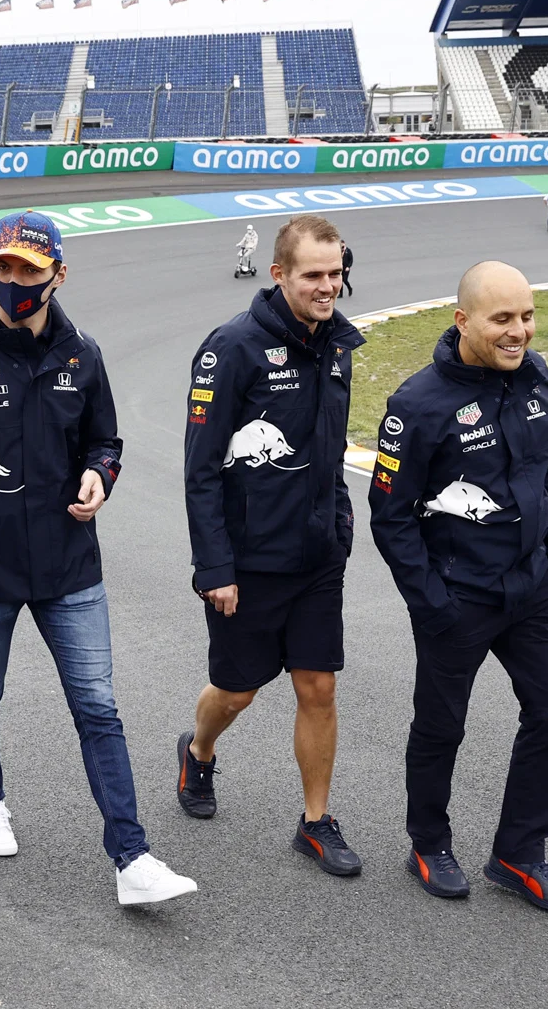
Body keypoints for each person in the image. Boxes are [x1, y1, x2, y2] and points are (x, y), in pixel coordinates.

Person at [0, 210, 198, 907]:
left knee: (99, 707)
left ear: (58, 275)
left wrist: (101, 474)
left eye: (28, 271)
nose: (13, 281)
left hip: (71, 568)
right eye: (2, 267)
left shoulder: (83, 354)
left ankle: (132, 858)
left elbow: (107, 441)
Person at [369, 261, 548, 911]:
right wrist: (431, 601)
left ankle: (520, 854)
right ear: (462, 321)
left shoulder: (538, 378)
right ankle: (428, 843)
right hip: (456, 598)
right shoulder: (415, 404)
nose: (518, 331)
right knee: (441, 726)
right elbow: (389, 516)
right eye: (502, 319)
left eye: (526, 316)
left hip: (532, 589)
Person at [178, 214, 367, 878]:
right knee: (237, 692)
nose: (327, 286)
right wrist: (214, 565)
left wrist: (339, 524)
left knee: (318, 688)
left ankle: (316, 822)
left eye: (335, 273)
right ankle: (198, 752)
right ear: (279, 273)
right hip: (247, 564)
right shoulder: (231, 347)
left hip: (317, 558)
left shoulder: (341, 345)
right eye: (313, 275)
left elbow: (332, 449)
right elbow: (201, 467)